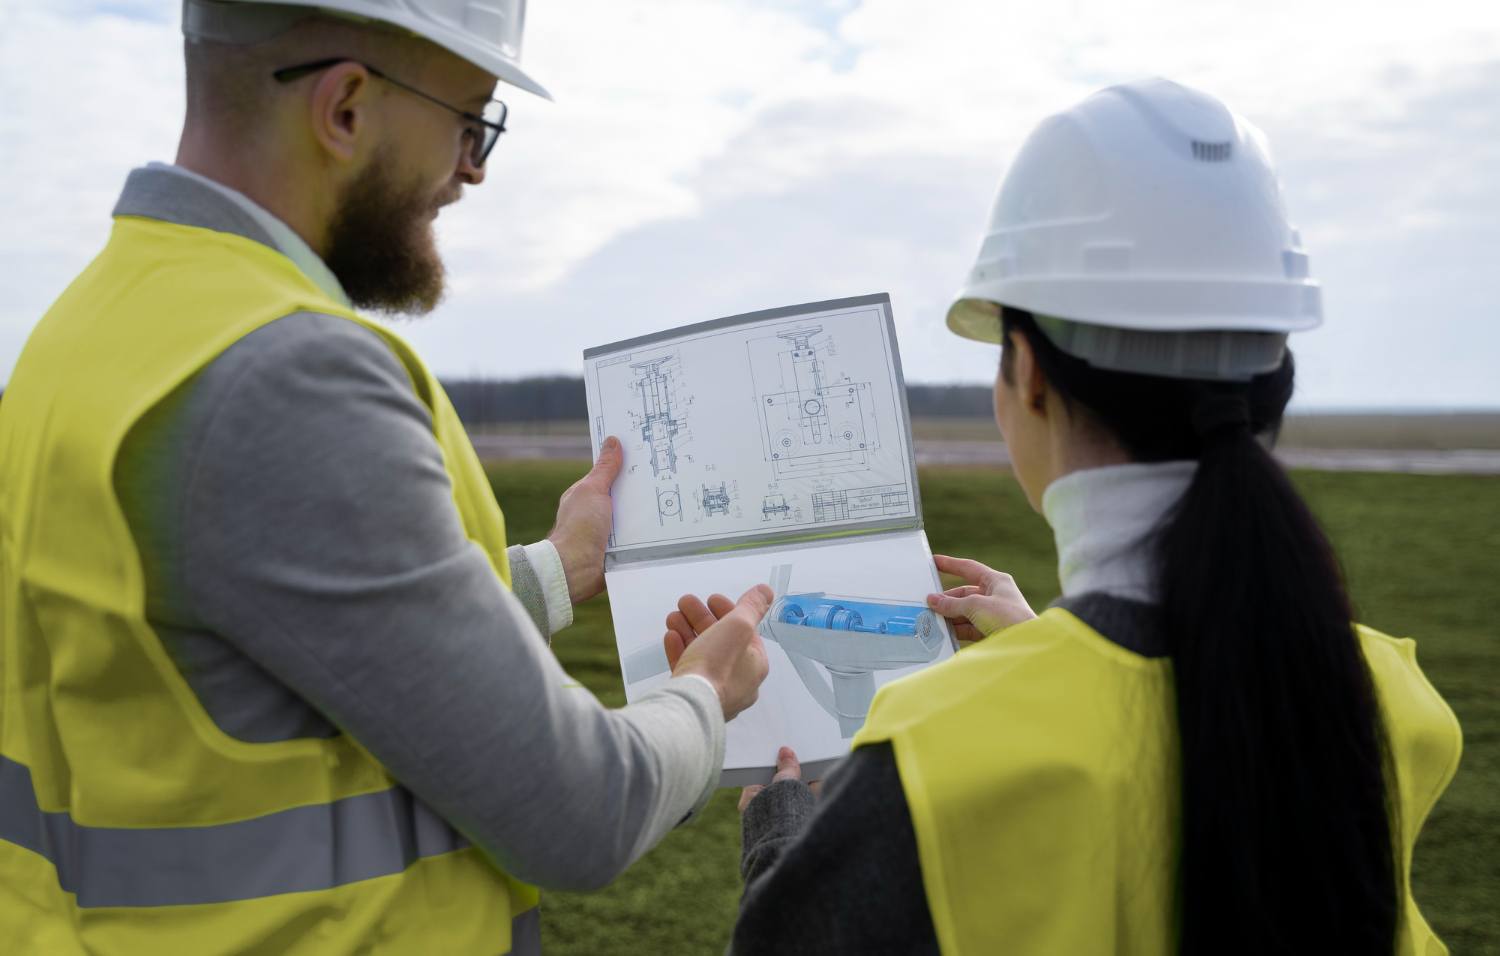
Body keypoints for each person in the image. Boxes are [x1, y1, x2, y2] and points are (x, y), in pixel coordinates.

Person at [0, 1, 771, 953]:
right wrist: (703, 695)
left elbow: (299, 628)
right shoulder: (283, 375)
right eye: (470, 119)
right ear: (348, 107)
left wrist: (558, 568)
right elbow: (577, 808)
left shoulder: (103, 323)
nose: (474, 169)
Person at [665, 78, 1463, 954]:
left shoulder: (935, 753)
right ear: (1273, 378)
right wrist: (1043, 648)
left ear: (1027, 373)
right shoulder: (1392, 697)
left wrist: (783, 831)